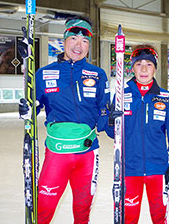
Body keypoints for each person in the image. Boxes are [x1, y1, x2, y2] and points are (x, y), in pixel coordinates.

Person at [19, 15, 110, 224]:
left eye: (85, 41)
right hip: (57, 151)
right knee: (43, 209)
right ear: (64, 40)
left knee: (82, 210)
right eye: (74, 39)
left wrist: (113, 120)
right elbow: (33, 108)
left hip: (87, 152)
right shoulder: (44, 73)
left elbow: (103, 113)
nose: (79, 45)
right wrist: (27, 108)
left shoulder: (98, 74)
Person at [108, 45, 169, 224]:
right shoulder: (120, 95)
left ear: (155, 69)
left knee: (159, 218)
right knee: (129, 219)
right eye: (138, 64)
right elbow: (112, 133)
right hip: (129, 169)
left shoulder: (166, 98)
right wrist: (111, 120)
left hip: (157, 169)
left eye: (149, 64)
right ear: (132, 68)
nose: (143, 69)